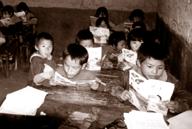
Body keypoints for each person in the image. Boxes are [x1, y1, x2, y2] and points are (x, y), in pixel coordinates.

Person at [120, 43, 192, 114]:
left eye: (160, 68)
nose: (155, 72)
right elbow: (113, 85)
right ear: (139, 63)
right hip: (132, 114)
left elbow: (187, 96)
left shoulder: (169, 80)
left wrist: (179, 106)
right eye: (150, 66)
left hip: (157, 120)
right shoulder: (130, 74)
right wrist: (120, 93)